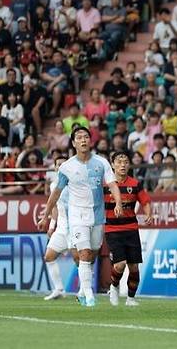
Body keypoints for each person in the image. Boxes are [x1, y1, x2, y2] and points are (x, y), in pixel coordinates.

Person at [37, 127, 122, 308]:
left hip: (98, 217)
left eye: (86, 137)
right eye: (79, 138)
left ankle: (83, 291)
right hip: (77, 218)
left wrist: (118, 203)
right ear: (74, 143)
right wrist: (46, 216)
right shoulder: (67, 167)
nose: (83, 140)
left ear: (90, 141)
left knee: (91, 255)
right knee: (83, 253)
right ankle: (88, 294)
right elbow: (55, 195)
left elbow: (113, 185)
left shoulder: (102, 163)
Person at [105, 151, 152, 307]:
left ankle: (131, 299)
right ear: (112, 165)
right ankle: (113, 286)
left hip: (131, 229)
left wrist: (148, 215)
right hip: (112, 229)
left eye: (125, 162)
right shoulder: (105, 185)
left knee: (134, 267)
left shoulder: (135, 184)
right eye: (119, 162)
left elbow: (145, 201)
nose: (122, 165)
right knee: (119, 265)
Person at [43, 155, 78, 301]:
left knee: (79, 260)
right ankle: (59, 289)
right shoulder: (54, 185)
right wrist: (52, 226)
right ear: (56, 168)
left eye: (64, 164)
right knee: (49, 257)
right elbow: (55, 207)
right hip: (62, 228)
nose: (61, 166)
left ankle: (83, 290)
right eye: (59, 165)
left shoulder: (77, 183)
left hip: (76, 227)